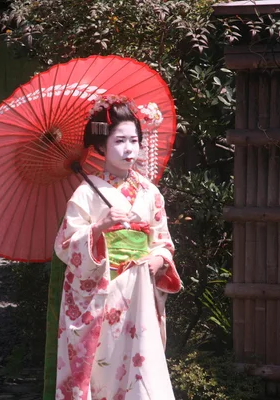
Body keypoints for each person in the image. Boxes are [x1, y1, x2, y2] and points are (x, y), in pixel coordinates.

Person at [43, 97, 182, 400]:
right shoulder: (85, 193)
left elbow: (163, 241)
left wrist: (158, 260)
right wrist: (99, 227)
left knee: (141, 371)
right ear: (102, 146)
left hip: (141, 295)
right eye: (119, 140)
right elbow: (66, 245)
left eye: (134, 140)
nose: (129, 148)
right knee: (104, 373)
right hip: (102, 296)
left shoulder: (150, 193)